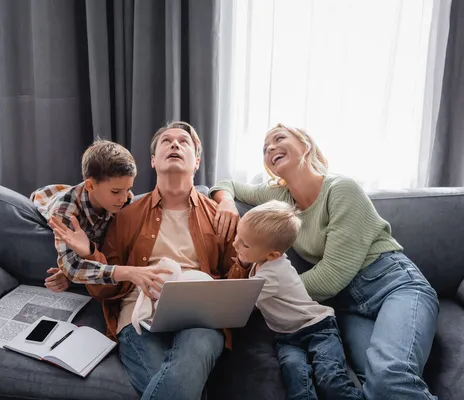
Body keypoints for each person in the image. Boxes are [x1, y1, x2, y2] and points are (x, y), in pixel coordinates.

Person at [210, 123, 439, 399]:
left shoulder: (342, 189)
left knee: (390, 377)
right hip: (349, 307)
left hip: (394, 286)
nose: (270, 147)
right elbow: (227, 184)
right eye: (265, 147)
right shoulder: (280, 198)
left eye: (279, 138)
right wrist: (224, 202)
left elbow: (331, 277)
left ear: (306, 145)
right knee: (372, 384)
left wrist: (260, 292)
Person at [53, 121, 247, 400]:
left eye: (184, 141)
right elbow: (104, 291)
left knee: (195, 353)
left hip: (200, 317)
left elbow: (236, 287)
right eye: (166, 141)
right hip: (138, 314)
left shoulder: (219, 215)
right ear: (153, 161)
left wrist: (245, 254)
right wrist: (89, 254)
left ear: (197, 161)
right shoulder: (126, 215)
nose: (175, 144)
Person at [235, 200, 363, 400]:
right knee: (296, 376)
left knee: (329, 378)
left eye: (244, 243)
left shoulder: (271, 275)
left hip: (317, 328)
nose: (235, 244)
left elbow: (240, 305)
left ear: (272, 255)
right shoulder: (262, 262)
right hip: (286, 336)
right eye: (237, 236)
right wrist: (246, 255)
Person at [30, 139, 140, 292]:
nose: (123, 198)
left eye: (127, 189)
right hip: (48, 203)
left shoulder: (126, 199)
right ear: (90, 185)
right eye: (115, 192)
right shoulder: (64, 211)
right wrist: (126, 273)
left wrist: (82, 264)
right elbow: (72, 268)